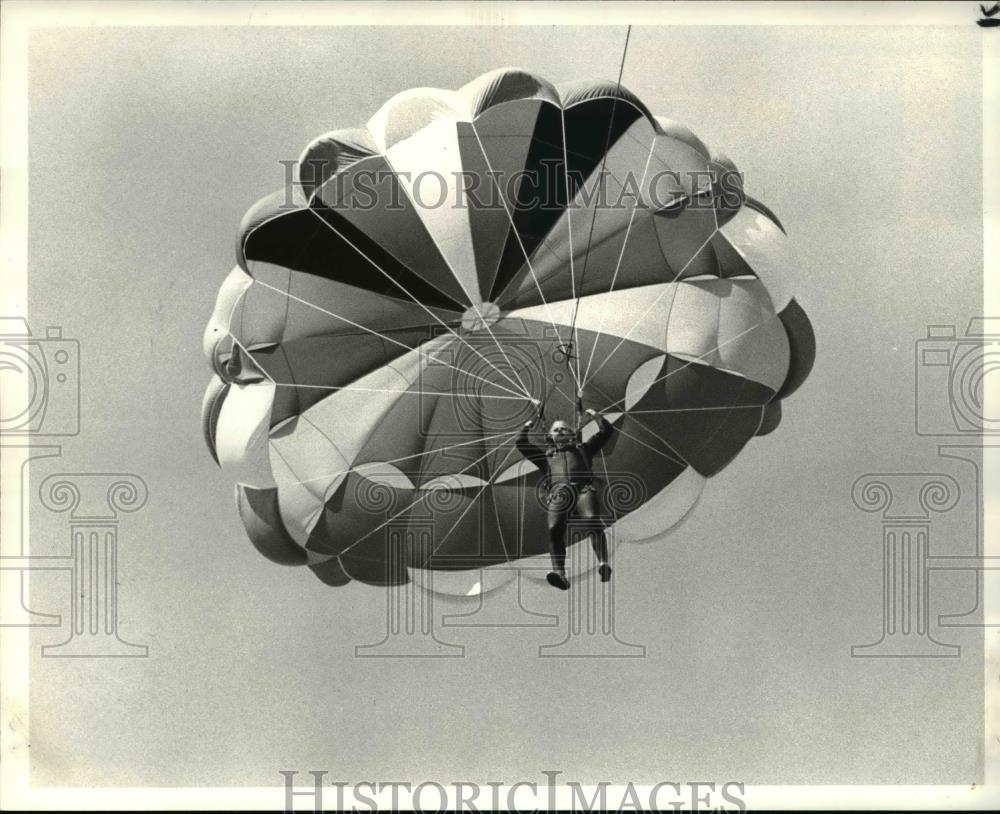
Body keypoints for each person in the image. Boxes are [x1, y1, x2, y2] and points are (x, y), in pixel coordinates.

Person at [515, 403, 616, 590]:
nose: (560, 431)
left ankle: (603, 563)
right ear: (551, 436)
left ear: (572, 434)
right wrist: (530, 423)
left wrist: (595, 414)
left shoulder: (584, 448)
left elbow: (607, 431)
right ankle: (560, 574)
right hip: (559, 494)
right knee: (554, 529)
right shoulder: (546, 457)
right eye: (556, 430)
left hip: (582, 490)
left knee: (592, 519)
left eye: (564, 429)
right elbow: (521, 443)